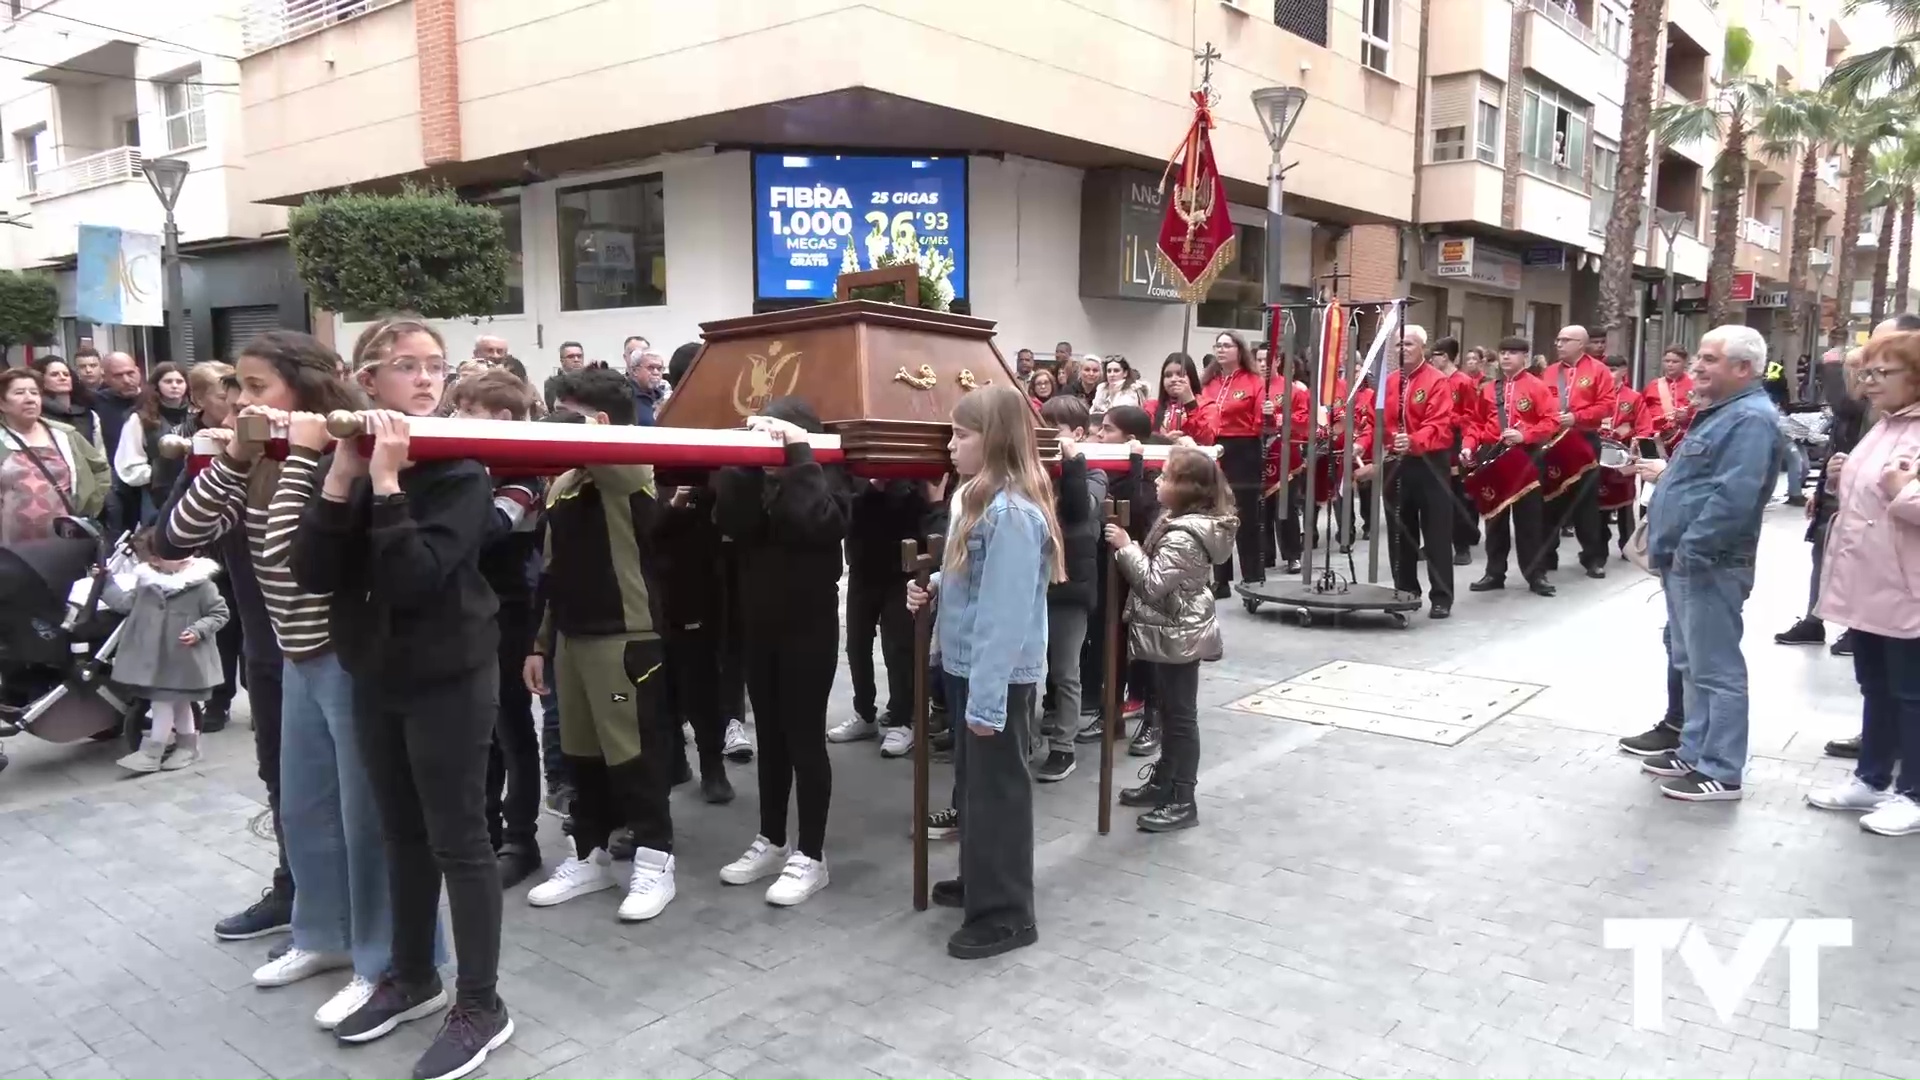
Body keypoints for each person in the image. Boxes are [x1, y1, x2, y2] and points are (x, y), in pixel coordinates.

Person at [289, 315, 511, 1076]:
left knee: (460, 839)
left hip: (450, 671)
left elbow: (417, 576)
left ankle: (482, 1003)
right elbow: (313, 573)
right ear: (366, 381)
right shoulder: (348, 459)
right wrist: (344, 478)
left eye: (435, 366)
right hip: (375, 671)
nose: (425, 378)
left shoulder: (459, 469)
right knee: (401, 834)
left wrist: (385, 486)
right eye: (405, 365)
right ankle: (412, 975)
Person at [161, 332, 391, 1027]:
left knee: (367, 820)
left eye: (258, 387)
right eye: (237, 386)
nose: (241, 401)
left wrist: (309, 450)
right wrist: (236, 456)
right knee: (305, 809)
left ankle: (385, 962)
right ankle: (322, 936)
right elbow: (179, 534)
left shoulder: (341, 450)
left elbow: (297, 558)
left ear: (306, 388)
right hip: (294, 658)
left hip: (347, 656)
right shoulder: (257, 455)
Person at [519, 366, 682, 920]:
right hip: (572, 638)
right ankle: (589, 855)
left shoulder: (630, 464)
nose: (555, 425)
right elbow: (551, 569)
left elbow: (616, 458)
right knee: (581, 756)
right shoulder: (563, 482)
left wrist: (582, 428)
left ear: (602, 421)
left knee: (635, 756)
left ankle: (656, 862)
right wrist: (540, 643)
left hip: (624, 638)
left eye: (569, 414)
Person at [909, 384, 1062, 959]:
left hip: (997, 674)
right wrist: (926, 592)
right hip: (970, 668)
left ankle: (1007, 913)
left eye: (961, 434)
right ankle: (981, 879)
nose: (950, 445)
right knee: (974, 791)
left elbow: (1004, 614)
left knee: (998, 795)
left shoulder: (1014, 514)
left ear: (994, 440)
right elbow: (968, 587)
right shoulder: (973, 500)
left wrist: (988, 702)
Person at [712, 396, 851, 907]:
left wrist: (799, 458)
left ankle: (811, 855)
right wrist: (746, 459)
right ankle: (772, 838)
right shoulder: (756, 478)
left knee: (804, 738)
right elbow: (731, 519)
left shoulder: (828, 477)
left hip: (808, 627)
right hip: (759, 625)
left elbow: (814, 522)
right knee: (769, 736)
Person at [1634, 325, 1783, 802]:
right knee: (1690, 661)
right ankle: (1695, 750)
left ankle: (1721, 768)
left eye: (1709, 359)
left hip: (1710, 563)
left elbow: (1733, 497)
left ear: (1743, 368)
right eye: (1698, 356)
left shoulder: (1750, 420)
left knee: (1715, 668)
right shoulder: (1722, 414)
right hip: (1688, 560)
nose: (1697, 366)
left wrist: (1692, 550)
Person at [1805, 328, 1920, 836]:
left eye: (1881, 373)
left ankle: (1912, 792)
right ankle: (1872, 778)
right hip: (1868, 581)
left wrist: (1903, 493)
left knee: (1911, 693)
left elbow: (1903, 497)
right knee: (1874, 685)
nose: (1868, 383)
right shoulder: (1886, 425)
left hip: (1907, 587)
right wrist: (1840, 476)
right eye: (1865, 373)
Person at [451, 370, 548, 888]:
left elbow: (487, 529)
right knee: (482, 733)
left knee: (512, 730)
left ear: (503, 418)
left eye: (467, 410)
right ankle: (486, 832)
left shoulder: (523, 476)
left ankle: (521, 840)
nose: (455, 419)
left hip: (513, 612)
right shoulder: (479, 471)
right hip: (476, 611)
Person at [1106, 446, 1233, 832]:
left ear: (1186, 488)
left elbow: (1153, 583)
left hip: (1178, 632)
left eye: (1165, 477)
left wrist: (1125, 547)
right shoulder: (1176, 520)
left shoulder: (1184, 536)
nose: (1157, 482)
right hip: (1169, 630)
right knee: (1168, 711)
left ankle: (1182, 797)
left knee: (1180, 718)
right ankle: (1164, 781)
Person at [103, 529, 229, 773]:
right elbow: (125, 603)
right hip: (157, 659)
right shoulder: (147, 583)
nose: (184, 556)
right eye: (174, 553)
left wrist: (199, 629)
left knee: (162, 703)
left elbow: (220, 613)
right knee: (179, 704)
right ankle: (188, 747)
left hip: (183, 659)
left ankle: (152, 752)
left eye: (186, 550)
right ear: (154, 560)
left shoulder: (201, 585)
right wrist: (105, 584)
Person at [1355, 325, 1457, 617]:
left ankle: (1441, 596)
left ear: (1422, 348)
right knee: (1400, 532)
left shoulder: (1437, 381)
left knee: (1435, 532)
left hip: (1429, 463)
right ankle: (1405, 590)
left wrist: (1413, 440)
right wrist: (1362, 444)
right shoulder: (1388, 382)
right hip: (1395, 464)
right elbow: (1375, 423)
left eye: (1409, 344)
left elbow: (1439, 424)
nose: (1403, 349)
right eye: (1398, 345)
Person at [830, 469, 928, 758]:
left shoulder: (911, 476)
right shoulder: (855, 471)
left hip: (900, 570)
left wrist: (892, 484)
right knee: (856, 644)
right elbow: (847, 512)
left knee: (898, 646)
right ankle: (865, 715)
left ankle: (901, 720)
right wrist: (873, 487)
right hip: (863, 567)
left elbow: (915, 514)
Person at [1033, 395, 1105, 783]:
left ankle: (1064, 746)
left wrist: (1072, 460)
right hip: (1034, 583)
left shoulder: (1094, 473)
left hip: (1070, 585)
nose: (1044, 437)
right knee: (1027, 668)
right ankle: (1027, 740)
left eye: (1053, 430)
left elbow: (1079, 510)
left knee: (1064, 671)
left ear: (1077, 433)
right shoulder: (1036, 471)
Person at [1467, 337, 1559, 596]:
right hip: (1493, 455)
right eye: (1503, 352)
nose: (1506, 357)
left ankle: (1535, 574)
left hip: (1525, 456)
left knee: (1529, 519)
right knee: (1495, 517)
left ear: (1524, 358)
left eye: (1513, 353)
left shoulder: (1537, 387)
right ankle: (1495, 572)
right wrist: (1469, 444)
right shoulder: (1488, 389)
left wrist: (1526, 435)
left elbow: (1551, 422)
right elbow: (1475, 422)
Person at [184, 363, 243, 734]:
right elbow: (171, 503)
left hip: (249, 547)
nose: (235, 408)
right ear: (200, 399)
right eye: (226, 400)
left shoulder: (255, 435)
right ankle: (218, 700)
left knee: (256, 627)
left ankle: (260, 693)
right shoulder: (185, 436)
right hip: (210, 551)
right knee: (221, 624)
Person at [1540, 326, 1617, 579]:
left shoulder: (1599, 371)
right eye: (1558, 339)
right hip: (1553, 442)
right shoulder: (1550, 372)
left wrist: (1577, 417)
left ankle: (1593, 557)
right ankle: (1547, 556)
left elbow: (1607, 406)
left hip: (1583, 440)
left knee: (1586, 502)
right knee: (1550, 499)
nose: (1558, 344)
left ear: (1580, 344)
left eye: (1565, 340)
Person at [1198, 331, 1271, 592]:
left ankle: (1252, 576)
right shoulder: (1208, 382)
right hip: (1213, 448)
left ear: (1239, 350)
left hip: (1244, 449)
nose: (1221, 350)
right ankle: (1221, 579)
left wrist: (1269, 416)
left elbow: (1262, 424)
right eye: (1218, 345)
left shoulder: (1254, 382)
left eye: (1227, 345)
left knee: (1244, 516)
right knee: (1216, 514)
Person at [0, 368, 109, 541]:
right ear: (2, 403)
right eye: (19, 393)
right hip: (10, 544)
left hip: (64, 539)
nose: (29, 399)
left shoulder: (65, 435)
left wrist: (89, 506)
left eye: (34, 393)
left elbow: (101, 468)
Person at [114, 362, 193, 526]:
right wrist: (160, 473)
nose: (174, 386)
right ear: (157, 385)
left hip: (193, 489)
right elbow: (128, 464)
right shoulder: (140, 419)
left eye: (179, 381)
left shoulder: (196, 415)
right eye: (168, 381)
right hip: (156, 494)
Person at [1430, 336, 1482, 564]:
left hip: (1456, 440)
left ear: (1445, 357)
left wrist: (1448, 418)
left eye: (1436, 355)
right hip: (1434, 441)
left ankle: (1462, 546)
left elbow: (1472, 416)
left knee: (1458, 496)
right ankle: (1433, 543)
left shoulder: (1463, 382)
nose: (1432, 359)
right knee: (1433, 495)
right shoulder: (1432, 380)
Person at [32, 356, 102, 446]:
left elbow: (99, 450)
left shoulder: (89, 415)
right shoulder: (37, 415)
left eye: (66, 374)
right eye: (54, 375)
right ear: (41, 380)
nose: (62, 378)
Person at [1145, 353, 1214, 443]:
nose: (1173, 379)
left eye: (1180, 374)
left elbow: (1207, 440)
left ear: (1191, 377)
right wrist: (1164, 441)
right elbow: (1141, 437)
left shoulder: (1207, 406)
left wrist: (1190, 404)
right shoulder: (1151, 406)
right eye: (1168, 375)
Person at [1638, 347, 1695, 452]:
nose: (1670, 365)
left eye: (1675, 362)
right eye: (1667, 361)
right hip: (1656, 439)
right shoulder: (1653, 385)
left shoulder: (1695, 385)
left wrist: (1688, 416)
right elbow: (1641, 413)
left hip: (1687, 439)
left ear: (1685, 363)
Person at [626, 349, 669, 426]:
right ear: (635, 371)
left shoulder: (662, 396)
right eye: (650, 368)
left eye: (659, 369)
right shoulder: (625, 396)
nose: (656, 373)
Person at [545, 341, 587, 409]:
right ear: (562, 361)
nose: (576, 360)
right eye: (571, 357)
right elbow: (553, 409)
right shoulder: (552, 383)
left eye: (579, 356)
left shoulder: (593, 381)